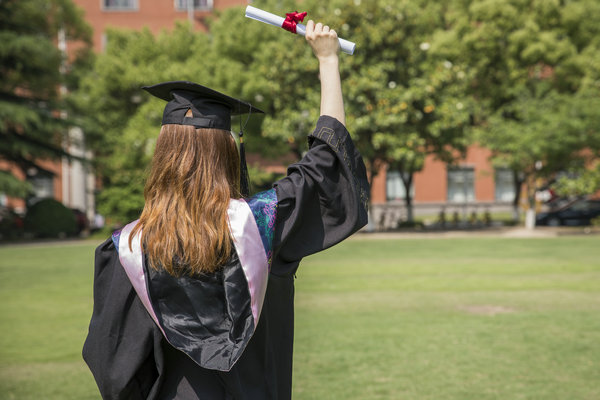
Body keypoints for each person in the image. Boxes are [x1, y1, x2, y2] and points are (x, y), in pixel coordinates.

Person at [83, 20, 369, 400]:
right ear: (226, 155)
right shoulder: (262, 224)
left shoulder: (128, 249)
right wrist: (328, 61)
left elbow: (114, 362)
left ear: (163, 157)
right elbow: (324, 168)